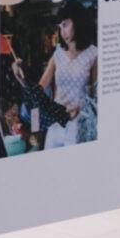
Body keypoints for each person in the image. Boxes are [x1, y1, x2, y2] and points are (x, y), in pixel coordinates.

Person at [38, 11, 99, 147]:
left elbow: (96, 96)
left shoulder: (93, 54)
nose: (62, 31)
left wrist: (81, 108)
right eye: (59, 27)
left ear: (77, 22)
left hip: (79, 125)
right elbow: (40, 86)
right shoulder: (58, 53)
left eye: (65, 25)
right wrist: (21, 78)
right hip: (56, 123)